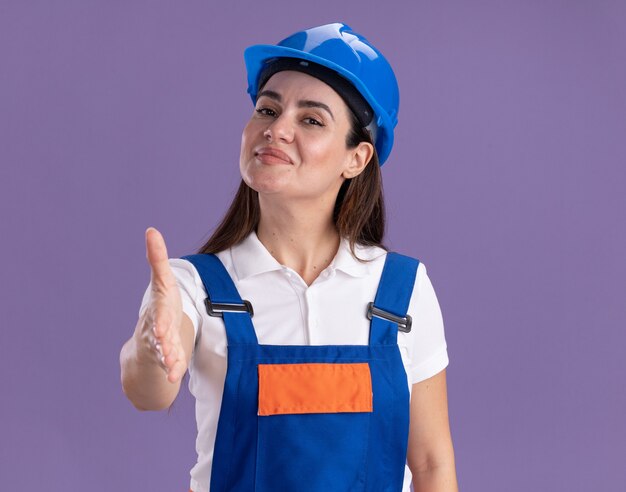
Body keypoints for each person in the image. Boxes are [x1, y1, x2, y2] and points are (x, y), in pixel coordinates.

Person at [120, 22, 458, 492]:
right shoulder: (193, 287)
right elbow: (149, 391)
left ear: (356, 159)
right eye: (267, 109)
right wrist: (151, 351)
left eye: (311, 119)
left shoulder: (401, 291)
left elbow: (432, 465)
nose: (276, 129)